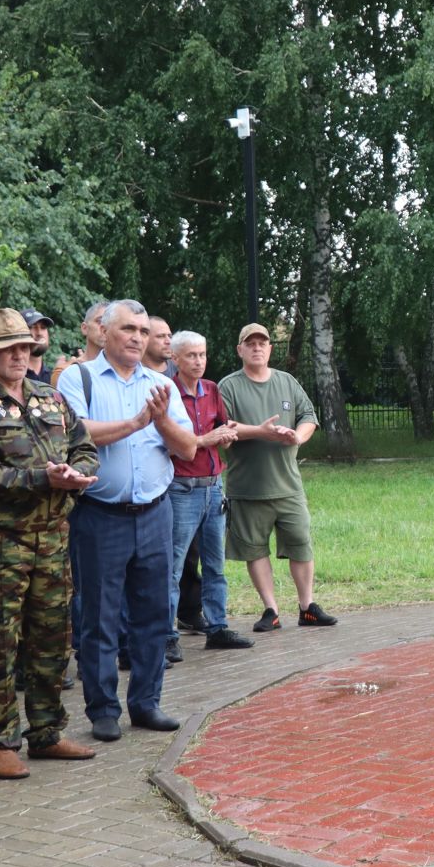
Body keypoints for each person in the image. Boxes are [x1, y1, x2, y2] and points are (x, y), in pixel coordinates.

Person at [0, 309, 102, 778]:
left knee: (52, 638)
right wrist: (43, 478)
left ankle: (47, 732)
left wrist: (76, 471)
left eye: (26, 347)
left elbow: (83, 443)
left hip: (53, 538)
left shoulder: (47, 396)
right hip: (1, 543)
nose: (21, 354)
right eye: (10, 348)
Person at [57, 300, 196, 740]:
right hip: (100, 514)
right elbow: (74, 431)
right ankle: (102, 710)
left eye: (142, 329)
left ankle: (146, 703)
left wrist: (159, 423)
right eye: (127, 329)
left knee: (154, 614)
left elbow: (187, 448)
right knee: (100, 616)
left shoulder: (160, 383)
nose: (137, 337)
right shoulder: (77, 378)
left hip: (155, 511)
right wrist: (138, 422)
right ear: (103, 332)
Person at [219, 325, 336, 631]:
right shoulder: (228, 387)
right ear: (240, 350)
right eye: (250, 343)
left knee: (300, 543)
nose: (257, 347)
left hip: (288, 486)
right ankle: (270, 609)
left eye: (263, 343)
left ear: (270, 348)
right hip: (247, 489)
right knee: (255, 550)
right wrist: (260, 431)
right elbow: (224, 428)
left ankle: (307, 606)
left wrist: (298, 436)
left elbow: (309, 416)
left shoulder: (287, 382)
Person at [165, 331, 249, 663]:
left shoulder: (212, 389)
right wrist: (209, 436)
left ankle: (217, 628)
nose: (198, 361)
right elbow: (174, 441)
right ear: (176, 359)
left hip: (213, 487)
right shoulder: (166, 392)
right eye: (191, 355)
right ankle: (167, 636)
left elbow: (221, 430)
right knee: (172, 568)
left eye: (202, 354)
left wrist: (227, 434)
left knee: (215, 564)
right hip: (182, 488)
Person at [21, 308, 55, 384]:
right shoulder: (13, 377)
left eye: (43, 327)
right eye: (32, 327)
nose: (39, 333)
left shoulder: (53, 376)